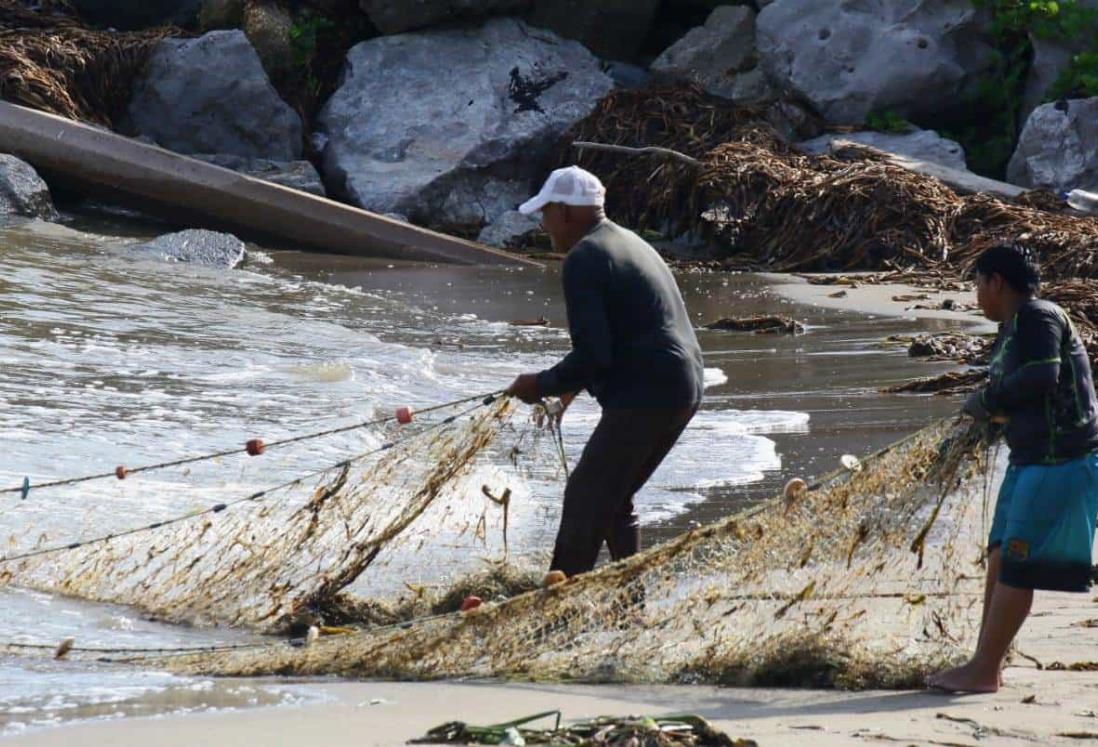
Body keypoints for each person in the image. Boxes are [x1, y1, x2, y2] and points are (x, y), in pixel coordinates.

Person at [506, 166, 705, 581]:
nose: (544, 226)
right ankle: (629, 605)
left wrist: (539, 384)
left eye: (545, 214)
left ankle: (553, 611)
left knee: (586, 497)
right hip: (683, 383)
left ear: (564, 212)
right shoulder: (626, 241)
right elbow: (619, 337)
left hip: (648, 391)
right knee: (615, 497)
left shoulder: (583, 258)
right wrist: (570, 389)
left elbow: (594, 354)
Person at [928, 242, 1098, 693]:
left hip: (1058, 459)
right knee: (1002, 555)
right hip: (1027, 460)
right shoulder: (1012, 329)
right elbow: (1023, 394)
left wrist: (986, 401)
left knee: (1018, 563)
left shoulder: (1039, 316)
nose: (976, 297)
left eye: (977, 286)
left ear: (995, 282)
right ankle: (986, 661)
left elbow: (1044, 375)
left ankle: (983, 671)